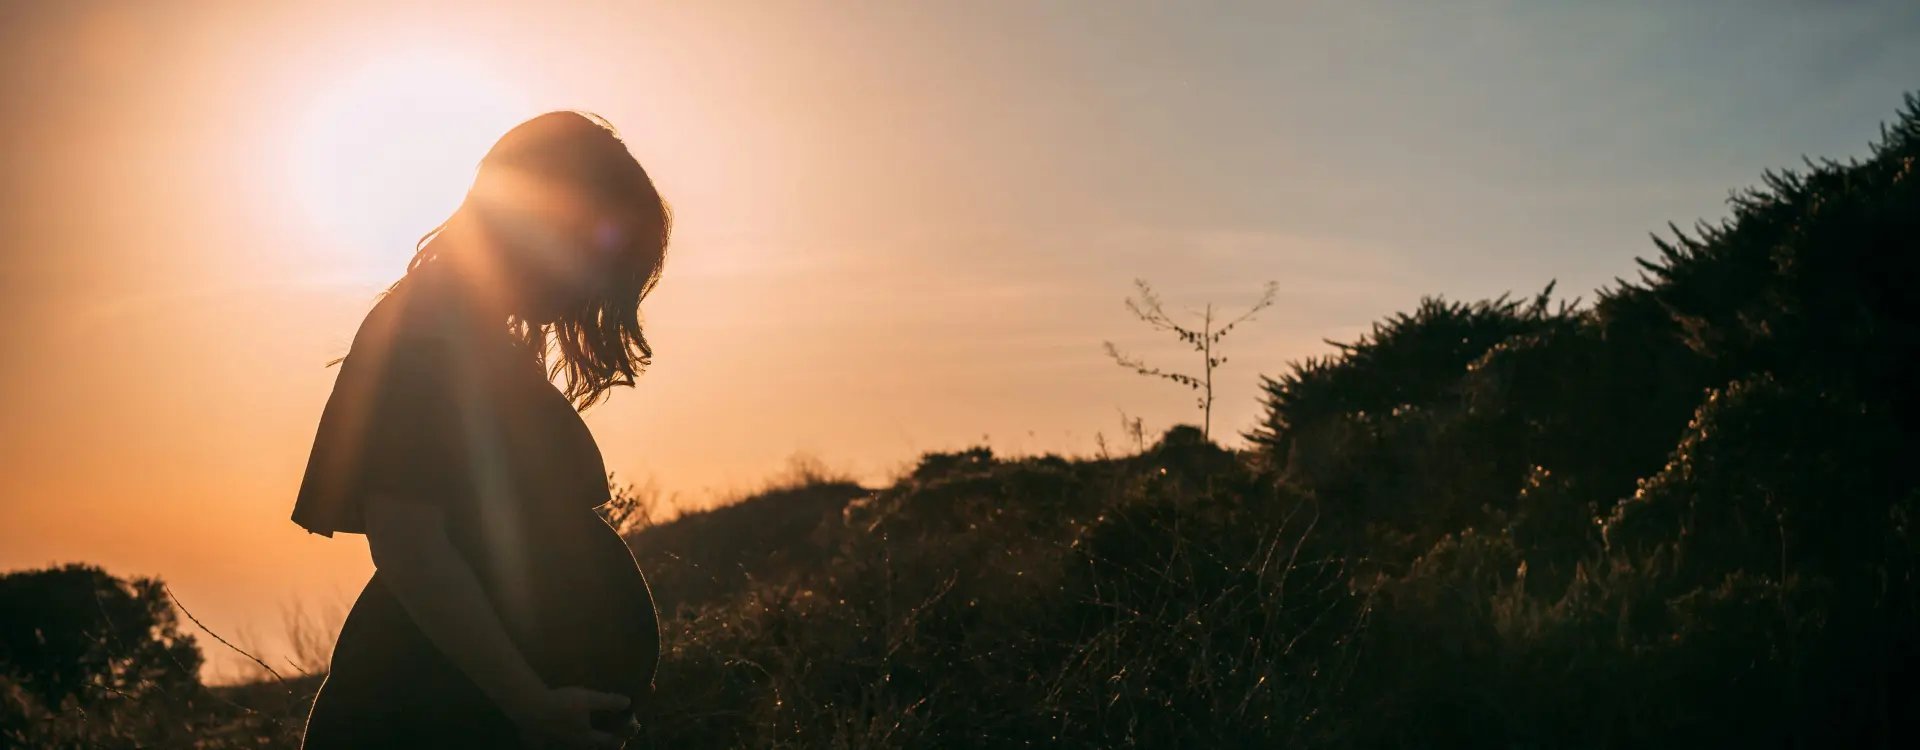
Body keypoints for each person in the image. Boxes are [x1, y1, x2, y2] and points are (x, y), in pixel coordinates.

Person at [291, 110, 670, 749]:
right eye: (597, 247)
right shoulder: (429, 329)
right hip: (431, 713)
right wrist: (531, 705)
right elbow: (411, 543)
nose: (600, 280)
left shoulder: (474, 330)